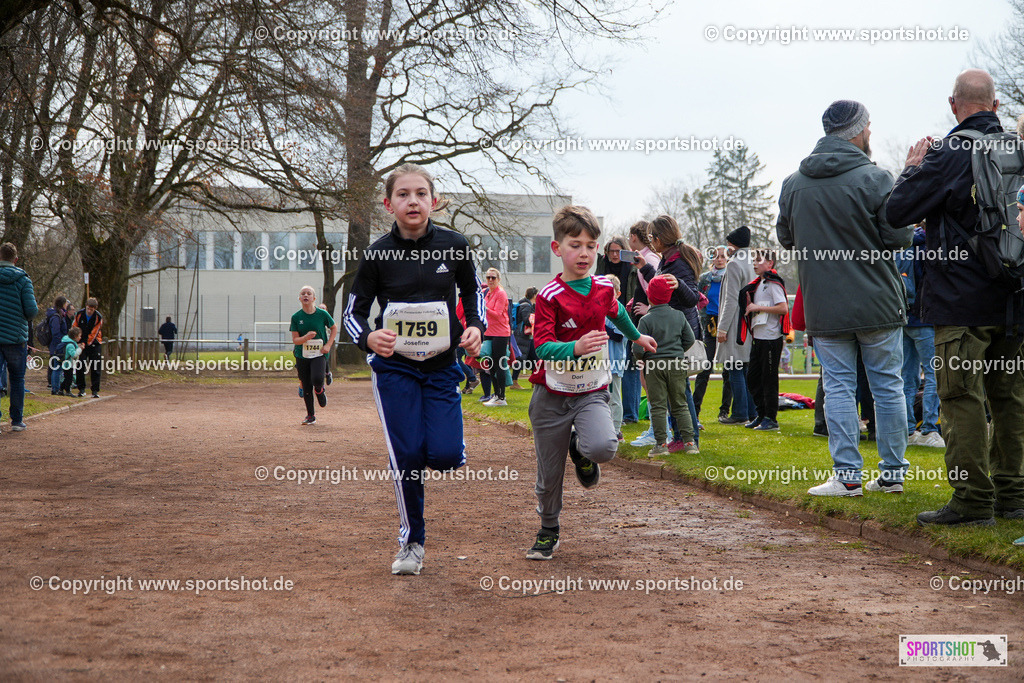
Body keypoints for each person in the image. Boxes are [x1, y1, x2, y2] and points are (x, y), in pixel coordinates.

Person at [886, 69, 1024, 525]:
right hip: (1015, 295)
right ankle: (1013, 496)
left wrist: (911, 169)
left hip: (960, 299)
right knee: (1009, 398)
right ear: (997, 106)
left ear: (953, 105)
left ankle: (970, 500)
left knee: (960, 396)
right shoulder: (1016, 148)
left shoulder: (947, 152)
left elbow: (897, 211)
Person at [343, 163, 484, 576]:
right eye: (403, 194)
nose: (413, 201)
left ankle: (438, 449)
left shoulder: (455, 245)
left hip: (442, 366)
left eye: (421, 193)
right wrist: (368, 338)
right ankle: (413, 542)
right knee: (406, 455)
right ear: (389, 204)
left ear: (433, 201)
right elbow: (354, 313)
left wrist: (475, 326)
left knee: (441, 455)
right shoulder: (377, 254)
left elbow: (473, 290)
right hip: (394, 369)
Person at [778, 99, 912, 497]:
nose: (871, 133)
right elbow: (900, 237)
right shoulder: (877, 179)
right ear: (858, 131)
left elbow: (787, 239)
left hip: (825, 304)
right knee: (888, 388)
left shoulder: (793, 183)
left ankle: (848, 476)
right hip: (878, 302)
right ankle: (892, 474)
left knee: (838, 387)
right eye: (868, 127)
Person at [526, 205, 656, 560]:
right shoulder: (549, 296)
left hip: (591, 390)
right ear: (557, 249)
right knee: (549, 475)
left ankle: (582, 452)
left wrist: (636, 337)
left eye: (590, 245)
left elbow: (618, 312)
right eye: (574, 245)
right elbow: (541, 345)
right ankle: (548, 529)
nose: (583, 253)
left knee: (603, 447)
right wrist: (575, 347)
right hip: (551, 394)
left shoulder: (602, 287)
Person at [634, 215, 703, 447]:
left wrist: (679, 283)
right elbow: (660, 286)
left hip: (679, 333)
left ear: (661, 237)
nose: (651, 242)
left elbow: (692, 297)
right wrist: (645, 270)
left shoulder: (679, 262)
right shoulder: (668, 259)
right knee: (677, 389)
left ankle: (688, 438)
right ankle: (681, 437)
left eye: (653, 237)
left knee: (679, 391)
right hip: (672, 332)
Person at [633, 275, 698, 456]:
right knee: (680, 404)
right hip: (677, 364)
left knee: (658, 406)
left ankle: (661, 445)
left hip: (654, 365)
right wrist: (677, 352)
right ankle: (690, 443)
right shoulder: (679, 315)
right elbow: (690, 339)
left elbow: (637, 346)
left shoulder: (646, 320)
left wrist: (643, 357)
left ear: (649, 296)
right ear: (669, 296)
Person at [896, 227, 943, 448]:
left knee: (907, 376)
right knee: (934, 374)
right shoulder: (928, 245)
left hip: (903, 318)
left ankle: (908, 430)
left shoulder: (900, 245)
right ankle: (929, 429)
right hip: (924, 319)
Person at [739, 249, 790, 432]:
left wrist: (756, 307)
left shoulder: (773, 284)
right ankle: (761, 415)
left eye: (759, 260)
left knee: (769, 379)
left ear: (770, 264)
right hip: (758, 338)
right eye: (754, 260)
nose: (755, 263)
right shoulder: (759, 283)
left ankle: (771, 418)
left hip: (770, 339)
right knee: (752, 378)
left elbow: (783, 308)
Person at [716, 226, 757, 425]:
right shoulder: (752, 262)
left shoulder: (734, 265)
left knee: (734, 366)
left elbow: (731, 299)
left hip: (735, 322)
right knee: (745, 367)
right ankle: (751, 411)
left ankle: (740, 412)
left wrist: (722, 328)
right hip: (750, 322)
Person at [0, 242, 38, 432]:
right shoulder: (23, 280)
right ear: (15, 259)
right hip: (16, 338)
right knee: (17, 378)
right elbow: (31, 312)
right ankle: (16, 421)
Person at [694, 246, 732, 422]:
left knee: (729, 369)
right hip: (709, 324)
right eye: (716, 256)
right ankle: (695, 410)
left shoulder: (731, 277)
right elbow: (696, 298)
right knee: (704, 368)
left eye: (723, 256)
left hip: (726, 324)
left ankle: (724, 411)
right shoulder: (705, 279)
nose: (719, 259)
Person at [290, 286, 337, 425]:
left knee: (317, 379)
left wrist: (328, 345)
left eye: (309, 293)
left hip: (318, 354)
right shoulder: (296, 317)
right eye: (303, 293)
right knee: (306, 385)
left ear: (314, 298)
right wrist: (306, 337)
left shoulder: (322, 314)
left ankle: (320, 389)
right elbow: (295, 340)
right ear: (299, 298)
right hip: (302, 355)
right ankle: (311, 415)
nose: (306, 295)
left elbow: (334, 328)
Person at [482, 267, 510, 407]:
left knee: (499, 364)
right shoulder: (487, 293)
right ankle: (496, 394)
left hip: (500, 332)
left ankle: (501, 396)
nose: (490, 280)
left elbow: (498, 314)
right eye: (488, 277)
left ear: (498, 279)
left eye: (493, 277)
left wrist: (484, 307)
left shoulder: (501, 293)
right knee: (490, 364)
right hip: (489, 332)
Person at [604, 275, 627, 440]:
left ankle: (616, 429)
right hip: (599, 363)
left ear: (617, 294)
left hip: (613, 362)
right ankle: (605, 427)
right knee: (601, 397)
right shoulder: (599, 309)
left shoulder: (618, 310)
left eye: (610, 292)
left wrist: (599, 324)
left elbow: (618, 335)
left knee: (614, 396)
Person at [73, 298, 103, 398]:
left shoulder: (98, 317)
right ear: (86, 306)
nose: (89, 311)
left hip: (94, 342)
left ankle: (95, 390)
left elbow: (94, 333)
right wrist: (78, 341)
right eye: (88, 308)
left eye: (92, 309)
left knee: (95, 366)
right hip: (81, 342)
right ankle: (81, 389)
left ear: (95, 309)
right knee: (80, 364)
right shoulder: (79, 314)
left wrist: (87, 343)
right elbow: (75, 327)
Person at [510, 287, 537, 389]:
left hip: (527, 338)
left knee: (535, 359)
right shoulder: (526, 306)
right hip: (522, 337)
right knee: (520, 359)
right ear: (534, 295)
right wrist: (534, 318)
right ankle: (514, 382)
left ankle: (534, 381)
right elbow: (527, 320)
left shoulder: (529, 305)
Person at [44, 296, 69, 395]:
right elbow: (56, 332)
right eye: (66, 303)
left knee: (57, 367)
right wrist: (60, 344)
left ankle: (56, 387)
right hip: (57, 346)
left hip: (57, 344)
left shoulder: (60, 315)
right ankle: (55, 388)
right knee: (56, 367)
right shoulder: (56, 317)